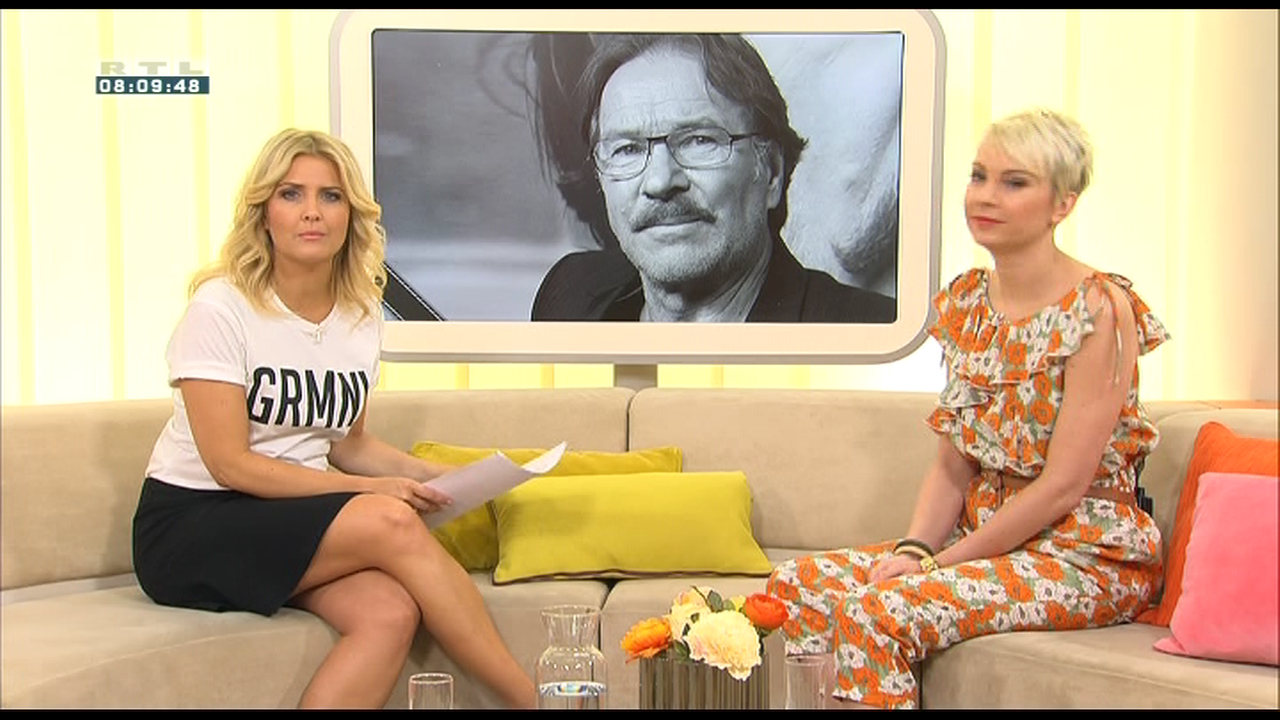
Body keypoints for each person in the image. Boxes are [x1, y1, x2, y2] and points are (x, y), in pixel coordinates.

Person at [765, 108, 1171, 709]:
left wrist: (938, 567)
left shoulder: (1099, 309)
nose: (985, 196)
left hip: (1083, 555)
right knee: (796, 585)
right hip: (982, 541)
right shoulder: (968, 302)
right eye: (979, 176)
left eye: (1015, 182)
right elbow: (951, 469)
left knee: (879, 610)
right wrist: (914, 551)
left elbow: (1063, 486)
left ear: (1062, 204)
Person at [130, 128, 537, 710]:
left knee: (391, 612)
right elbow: (230, 465)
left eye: (331, 196)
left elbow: (348, 444)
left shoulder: (360, 314)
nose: (312, 212)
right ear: (263, 212)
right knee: (389, 521)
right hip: (195, 522)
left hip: (289, 519)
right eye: (291, 194)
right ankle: (536, 703)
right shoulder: (220, 308)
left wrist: (442, 477)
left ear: (352, 214)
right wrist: (369, 492)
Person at [527, 33, 896, 323]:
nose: (660, 182)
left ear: (771, 172)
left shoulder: (869, 328)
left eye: (699, 141)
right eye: (627, 149)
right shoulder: (567, 295)